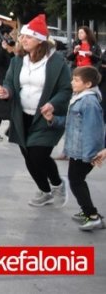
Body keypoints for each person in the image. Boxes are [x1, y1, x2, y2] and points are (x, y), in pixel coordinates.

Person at [0, 14, 72, 208]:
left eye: (28, 37)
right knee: (29, 158)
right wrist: (6, 91)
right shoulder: (18, 61)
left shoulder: (56, 62)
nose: (23, 40)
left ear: (40, 40)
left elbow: (66, 89)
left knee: (38, 155)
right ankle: (45, 191)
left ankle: (58, 184)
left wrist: (53, 103)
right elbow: (10, 82)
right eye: (23, 37)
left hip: (45, 118)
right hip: (21, 117)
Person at [41, 66, 105, 231]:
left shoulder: (89, 102)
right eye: (73, 79)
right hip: (78, 150)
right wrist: (53, 119)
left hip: (83, 152)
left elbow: (93, 129)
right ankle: (89, 212)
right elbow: (72, 123)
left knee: (76, 181)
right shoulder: (80, 97)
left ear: (88, 84)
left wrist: (89, 155)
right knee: (77, 180)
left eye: (76, 80)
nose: (72, 82)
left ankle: (92, 216)